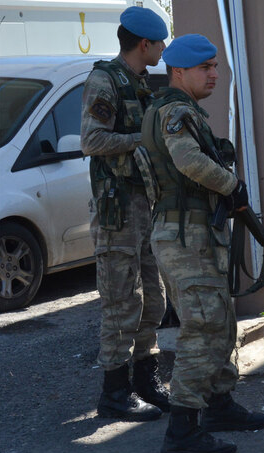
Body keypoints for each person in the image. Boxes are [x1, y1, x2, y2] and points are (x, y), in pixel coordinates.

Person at [142, 34, 264, 453]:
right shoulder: (176, 111)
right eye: (206, 68)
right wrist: (232, 184)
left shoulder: (181, 109)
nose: (215, 74)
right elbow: (189, 162)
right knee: (201, 326)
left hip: (193, 233)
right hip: (185, 237)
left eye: (216, 66)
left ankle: (218, 405)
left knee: (219, 320)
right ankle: (182, 430)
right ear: (179, 71)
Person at [81, 6, 169, 422]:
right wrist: (143, 139)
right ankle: (114, 393)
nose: (163, 50)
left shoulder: (140, 82)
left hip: (144, 206)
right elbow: (91, 138)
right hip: (117, 209)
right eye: (159, 43)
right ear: (144, 44)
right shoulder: (105, 79)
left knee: (153, 298)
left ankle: (144, 381)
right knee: (120, 302)